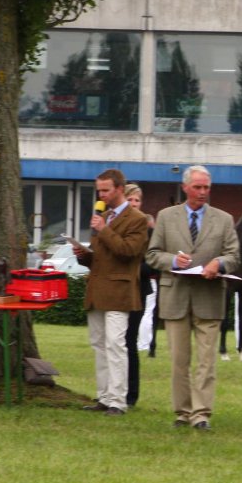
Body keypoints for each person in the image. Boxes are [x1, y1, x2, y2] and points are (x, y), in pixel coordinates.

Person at [145, 165, 239, 431]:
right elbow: (152, 254)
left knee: (206, 361)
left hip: (209, 297)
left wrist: (218, 264)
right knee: (179, 361)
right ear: (185, 188)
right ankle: (182, 412)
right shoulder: (165, 217)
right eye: (197, 187)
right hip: (175, 296)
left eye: (206, 187)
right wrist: (172, 260)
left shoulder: (224, 219)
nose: (202, 192)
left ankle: (201, 414)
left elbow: (234, 256)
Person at [75, 169, 149, 416]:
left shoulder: (137, 218)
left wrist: (104, 229)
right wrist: (84, 257)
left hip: (119, 290)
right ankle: (104, 397)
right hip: (97, 288)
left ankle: (118, 400)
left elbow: (129, 251)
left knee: (116, 345)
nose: (101, 194)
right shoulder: (102, 216)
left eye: (106, 190)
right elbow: (103, 256)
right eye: (99, 190)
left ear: (119, 189)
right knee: (99, 344)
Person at [124, 183, 156, 408]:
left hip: (138, 290)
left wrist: (130, 268)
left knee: (129, 341)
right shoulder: (116, 225)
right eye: (131, 200)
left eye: (138, 201)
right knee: (115, 341)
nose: (134, 204)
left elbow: (151, 265)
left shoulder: (149, 232)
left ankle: (131, 393)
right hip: (117, 290)